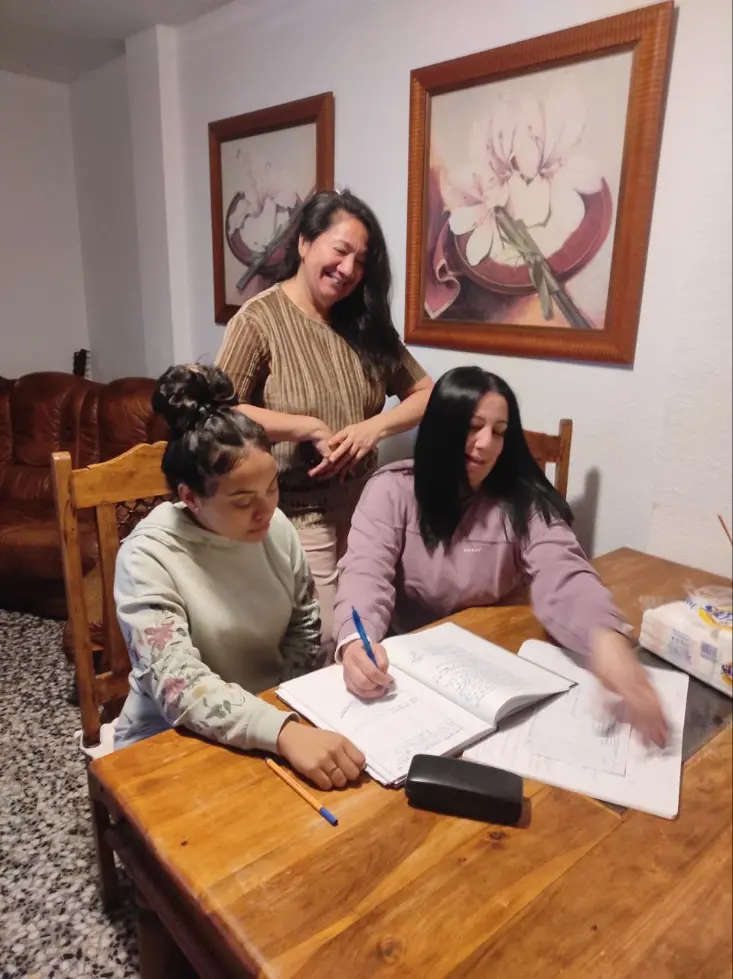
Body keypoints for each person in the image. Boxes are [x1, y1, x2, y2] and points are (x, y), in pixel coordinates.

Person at [333, 366, 668, 747]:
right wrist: (356, 642)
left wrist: (605, 640)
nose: (486, 444)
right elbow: (364, 574)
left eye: (500, 431)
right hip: (406, 668)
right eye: (473, 427)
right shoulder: (392, 490)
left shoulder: (522, 501)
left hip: (494, 664)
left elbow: (563, 571)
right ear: (442, 428)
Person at [113, 364, 365, 791]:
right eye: (243, 501)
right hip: (170, 736)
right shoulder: (147, 557)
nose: (266, 511)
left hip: (268, 716)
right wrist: (281, 731)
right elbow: (177, 685)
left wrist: (284, 708)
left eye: (272, 488)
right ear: (190, 497)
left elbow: (304, 622)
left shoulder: (275, 528)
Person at [215, 189, 432, 650]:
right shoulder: (259, 320)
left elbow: (427, 393)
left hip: (368, 509)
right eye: (340, 250)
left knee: (380, 627)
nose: (349, 269)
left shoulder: (364, 324)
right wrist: (307, 427)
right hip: (295, 513)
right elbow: (220, 412)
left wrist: (376, 427)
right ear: (304, 243)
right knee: (330, 639)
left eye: (361, 261)